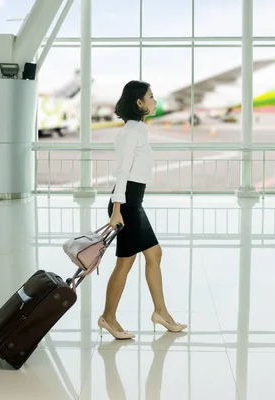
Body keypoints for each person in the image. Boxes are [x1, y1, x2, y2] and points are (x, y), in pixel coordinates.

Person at [98, 80, 187, 340]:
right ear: (139, 102)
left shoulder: (138, 130)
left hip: (134, 203)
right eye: (151, 96)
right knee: (125, 262)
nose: (155, 101)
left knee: (154, 254)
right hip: (125, 205)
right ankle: (108, 317)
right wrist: (117, 211)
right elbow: (122, 172)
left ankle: (160, 312)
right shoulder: (131, 132)